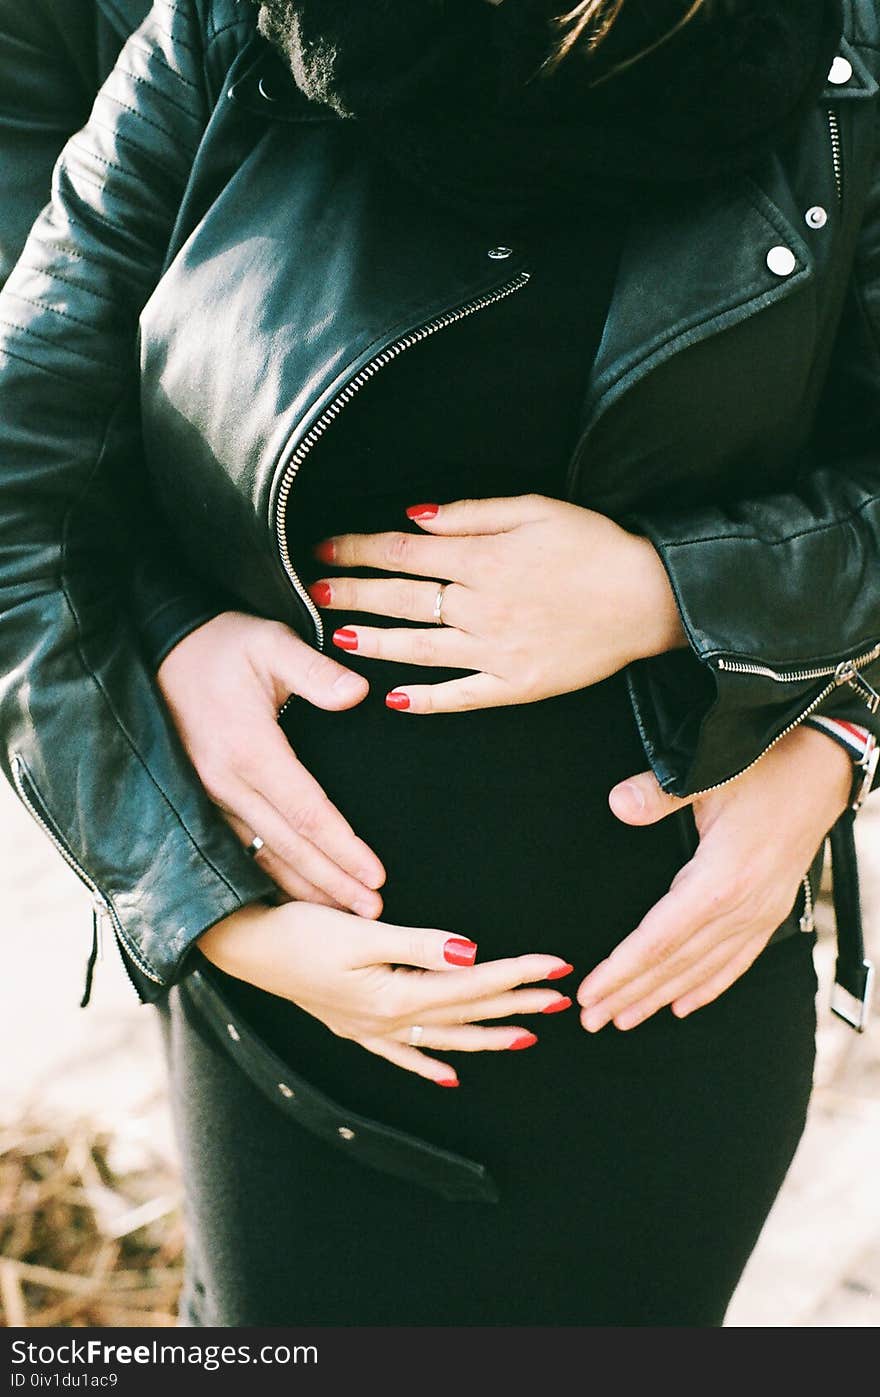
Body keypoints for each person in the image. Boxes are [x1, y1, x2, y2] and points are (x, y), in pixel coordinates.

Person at [0, 0, 878, 1327]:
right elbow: (26, 489)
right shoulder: (224, 39)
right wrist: (202, 900)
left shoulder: (840, 66)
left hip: (665, 1013)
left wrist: (677, 595)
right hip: (303, 1017)